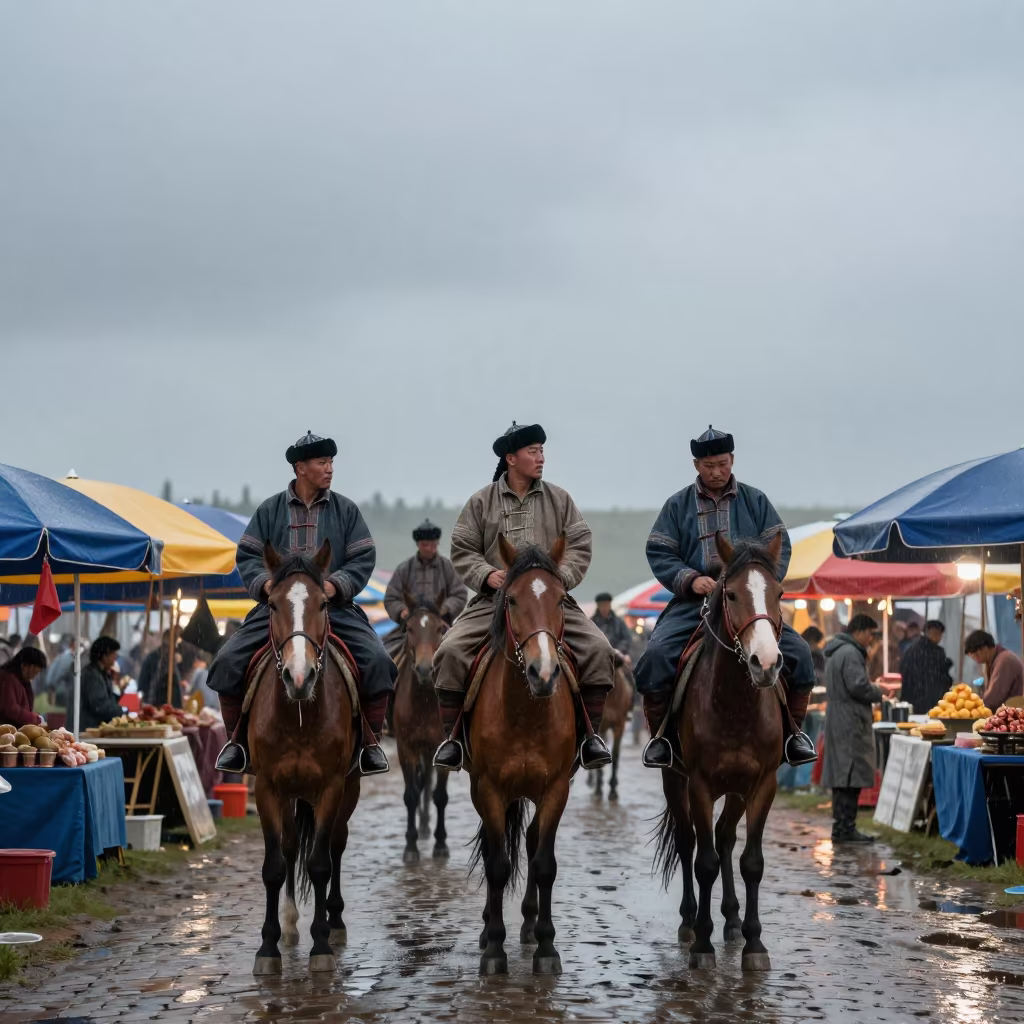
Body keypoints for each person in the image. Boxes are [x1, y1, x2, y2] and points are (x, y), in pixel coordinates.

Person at [208, 430, 396, 775]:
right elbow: (247, 556)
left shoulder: (346, 511)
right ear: (300, 468)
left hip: (331, 609)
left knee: (380, 662)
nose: (330, 469)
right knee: (226, 661)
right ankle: (236, 742)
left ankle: (370, 743)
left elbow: (363, 558)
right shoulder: (269, 510)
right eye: (322, 462)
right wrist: (265, 585)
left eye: (331, 462)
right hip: (277, 610)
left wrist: (335, 586)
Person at [431, 421, 615, 772]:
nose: (541, 458)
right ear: (511, 458)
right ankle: (453, 740)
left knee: (599, 650)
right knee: (450, 652)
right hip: (494, 601)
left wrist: (557, 579)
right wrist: (488, 575)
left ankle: (590, 736)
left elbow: (579, 544)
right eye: (533, 452)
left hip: (549, 602)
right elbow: (463, 548)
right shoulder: (481, 501)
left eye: (542, 451)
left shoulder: (559, 499)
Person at [635, 426, 817, 768]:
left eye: (721, 463)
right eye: (708, 465)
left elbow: (780, 546)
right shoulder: (677, 506)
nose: (715, 471)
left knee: (801, 655)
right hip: (695, 603)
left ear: (732, 460)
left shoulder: (756, 501)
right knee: (656, 656)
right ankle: (661, 738)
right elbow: (659, 551)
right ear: (695, 465)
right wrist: (690, 579)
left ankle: (793, 735)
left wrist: (756, 584)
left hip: (747, 603)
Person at [821, 615, 881, 843]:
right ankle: (846, 828)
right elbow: (858, 686)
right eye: (870, 634)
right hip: (850, 721)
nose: (871, 639)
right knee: (850, 775)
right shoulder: (851, 653)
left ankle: (841, 827)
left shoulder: (837, 651)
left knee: (841, 776)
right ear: (860, 631)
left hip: (839, 718)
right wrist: (879, 690)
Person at [382, 519, 468, 661]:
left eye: (433, 544)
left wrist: (443, 609)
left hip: (440, 626)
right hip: (409, 628)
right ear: (418, 544)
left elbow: (459, 594)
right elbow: (391, 597)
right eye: (425, 544)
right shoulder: (404, 569)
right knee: (383, 656)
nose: (429, 548)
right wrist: (402, 611)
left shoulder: (447, 567)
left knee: (461, 657)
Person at [899, 620, 953, 714]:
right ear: (927, 632)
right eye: (936, 633)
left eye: (939, 634)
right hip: (932, 702)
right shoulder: (937, 652)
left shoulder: (911, 650)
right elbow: (940, 678)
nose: (938, 637)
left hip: (912, 702)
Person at [965, 629, 1024, 709]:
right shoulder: (991, 661)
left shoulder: (1004, 660)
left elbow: (993, 698)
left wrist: (972, 708)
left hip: (1013, 713)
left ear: (985, 648)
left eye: (976, 655)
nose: (975, 659)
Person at [80, 637, 126, 732]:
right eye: (113, 654)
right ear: (104, 656)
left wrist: (118, 688)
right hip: (90, 729)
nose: (115, 658)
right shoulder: (92, 675)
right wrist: (123, 711)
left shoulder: (104, 673)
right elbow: (99, 706)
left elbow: (110, 699)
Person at [0, 648, 49, 727]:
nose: (34, 676)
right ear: (24, 666)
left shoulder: (21, 681)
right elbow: (10, 709)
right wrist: (34, 718)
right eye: (34, 672)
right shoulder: (8, 679)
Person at [138, 631, 183, 708]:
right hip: (154, 705)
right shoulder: (152, 659)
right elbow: (143, 685)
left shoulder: (173, 661)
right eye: (166, 646)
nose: (169, 650)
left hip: (172, 707)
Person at [591, 593, 634, 663]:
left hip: (617, 657)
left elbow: (626, 639)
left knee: (627, 669)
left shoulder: (619, 622)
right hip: (598, 658)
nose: (604, 608)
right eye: (602, 605)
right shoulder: (591, 623)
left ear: (610, 605)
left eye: (606, 604)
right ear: (598, 606)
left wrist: (618, 650)